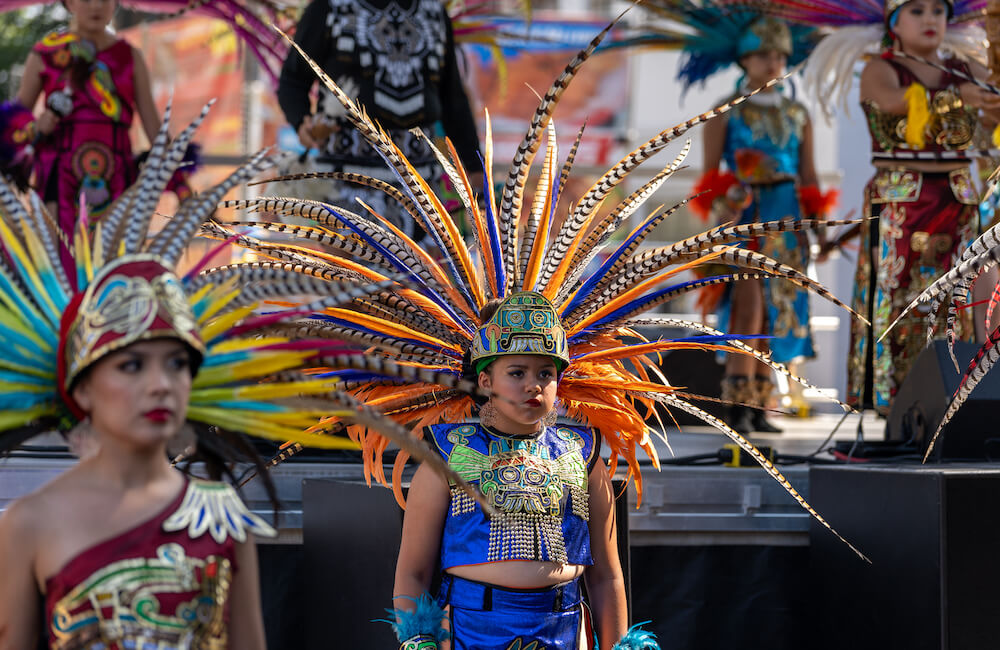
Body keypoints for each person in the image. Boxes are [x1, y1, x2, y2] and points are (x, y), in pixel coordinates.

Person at [0, 114, 439, 647]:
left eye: (176, 363)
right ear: (81, 385)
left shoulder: (220, 520)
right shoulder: (28, 524)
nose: (160, 383)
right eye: (132, 365)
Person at [681, 13, 835, 434]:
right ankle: (735, 404)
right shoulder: (727, 112)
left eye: (780, 55)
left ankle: (762, 403)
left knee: (777, 310)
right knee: (746, 310)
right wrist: (722, 217)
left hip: (786, 216)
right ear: (744, 59)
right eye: (764, 54)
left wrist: (818, 222)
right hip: (745, 215)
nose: (773, 63)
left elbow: (809, 173)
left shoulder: (798, 112)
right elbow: (710, 177)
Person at [275, 0, 481, 240]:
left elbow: (453, 99)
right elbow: (293, 79)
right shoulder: (329, 7)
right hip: (346, 184)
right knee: (349, 274)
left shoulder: (433, 12)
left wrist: (475, 167)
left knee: (423, 276)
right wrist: (302, 122)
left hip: (421, 184)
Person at [15, 0, 173, 236]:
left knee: (115, 265)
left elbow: (158, 135)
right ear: (69, 3)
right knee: (59, 264)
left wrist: (180, 181)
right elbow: (11, 128)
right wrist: (38, 126)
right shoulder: (45, 54)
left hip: (118, 182)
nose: (96, 6)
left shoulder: (130, 57)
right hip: (58, 185)